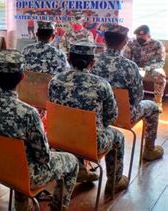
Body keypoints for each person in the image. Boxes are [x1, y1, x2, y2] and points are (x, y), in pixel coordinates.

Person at [0, 49, 78, 211]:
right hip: (23, 174)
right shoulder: (29, 113)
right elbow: (43, 157)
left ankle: (23, 205)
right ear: (22, 77)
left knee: (23, 155)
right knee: (72, 162)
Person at [49, 41, 128, 193]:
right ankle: (114, 182)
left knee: (71, 126)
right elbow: (111, 117)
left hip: (59, 137)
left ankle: (79, 169)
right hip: (90, 142)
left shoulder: (55, 80)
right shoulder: (101, 84)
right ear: (92, 62)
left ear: (69, 58)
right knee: (118, 136)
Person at [92, 24, 164, 160]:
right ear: (125, 43)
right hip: (123, 114)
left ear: (104, 41)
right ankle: (149, 150)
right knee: (153, 107)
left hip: (96, 113)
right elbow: (138, 98)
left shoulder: (92, 61)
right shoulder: (130, 66)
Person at [123, 25, 166, 109]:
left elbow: (161, 62)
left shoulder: (157, 44)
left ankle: (157, 102)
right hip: (136, 67)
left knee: (160, 77)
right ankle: (131, 101)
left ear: (148, 35)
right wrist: (134, 67)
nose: (139, 38)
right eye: (137, 36)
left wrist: (150, 67)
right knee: (123, 74)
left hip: (151, 68)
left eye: (142, 36)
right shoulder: (131, 43)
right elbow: (126, 59)